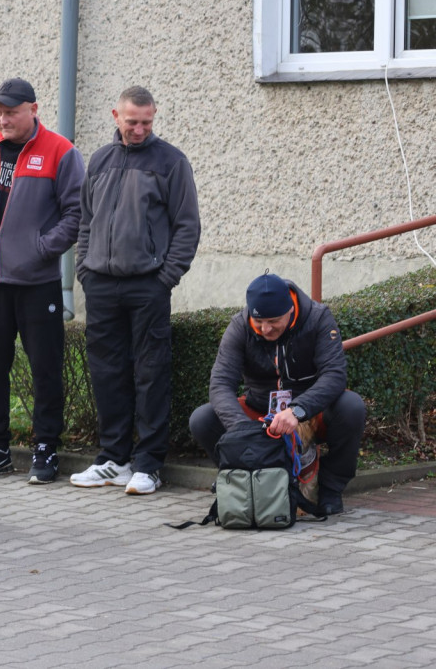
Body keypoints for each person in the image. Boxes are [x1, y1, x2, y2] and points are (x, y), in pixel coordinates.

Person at [71, 85, 201, 495]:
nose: (140, 129)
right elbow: (86, 221)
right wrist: (85, 270)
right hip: (102, 285)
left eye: (147, 121)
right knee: (107, 375)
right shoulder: (100, 160)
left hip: (149, 285)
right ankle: (113, 460)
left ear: (154, 116)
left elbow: (187, 226)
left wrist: (166, 277)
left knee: (150, 374)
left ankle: (148, 465)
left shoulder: (172, 162)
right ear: (116, 116)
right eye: (132, 122)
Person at [0, 77, 84, 485]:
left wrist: (42, 249)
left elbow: (75, 213)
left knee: (45, 367)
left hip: (37, 281)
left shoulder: (61, 151)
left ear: (33, 109)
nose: (2, 118)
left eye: (11, 111)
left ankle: (46, 447)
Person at [189, 273, 365, 515]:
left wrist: (298, 411)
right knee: (202, 419)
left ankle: (330, 488)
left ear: (290, 310)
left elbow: (334, 375)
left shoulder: (318, 318)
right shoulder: (239, 326)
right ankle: (241, 476)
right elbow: (220, 383)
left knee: (352, 407)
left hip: (309, 411)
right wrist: (243, 429)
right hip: (260, 409)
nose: (265, 328)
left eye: (273, 321)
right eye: (259, 321)